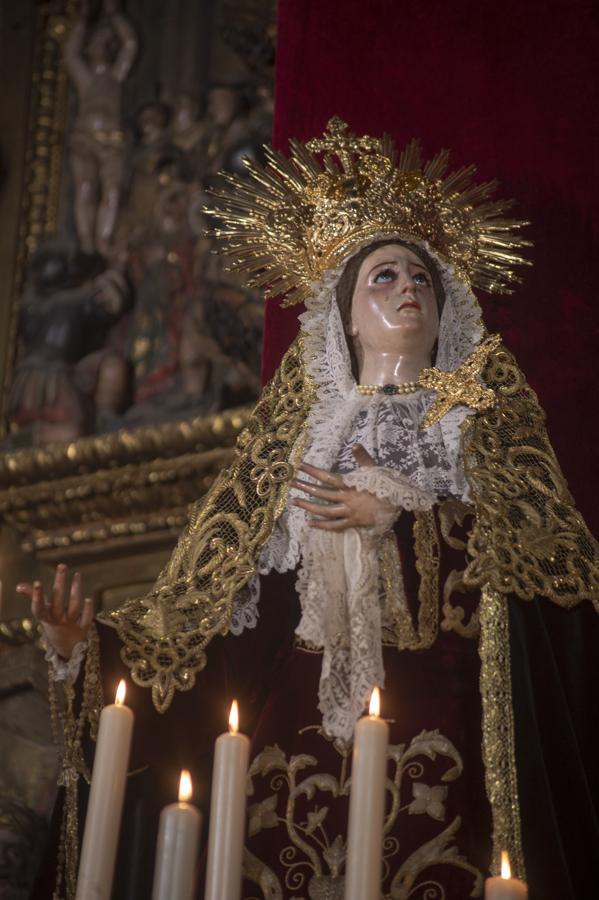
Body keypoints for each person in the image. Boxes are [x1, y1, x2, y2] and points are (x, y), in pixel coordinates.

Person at [24, 119, 599, 899]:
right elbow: (213, 637)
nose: (406, 289)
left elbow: (551, 595)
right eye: (383, 277)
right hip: (280, 771)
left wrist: (404, 514)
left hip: (445, 748)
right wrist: (89, 651)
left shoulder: (483, 427)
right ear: (345, 318)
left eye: (421, 278)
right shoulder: (293, 450)